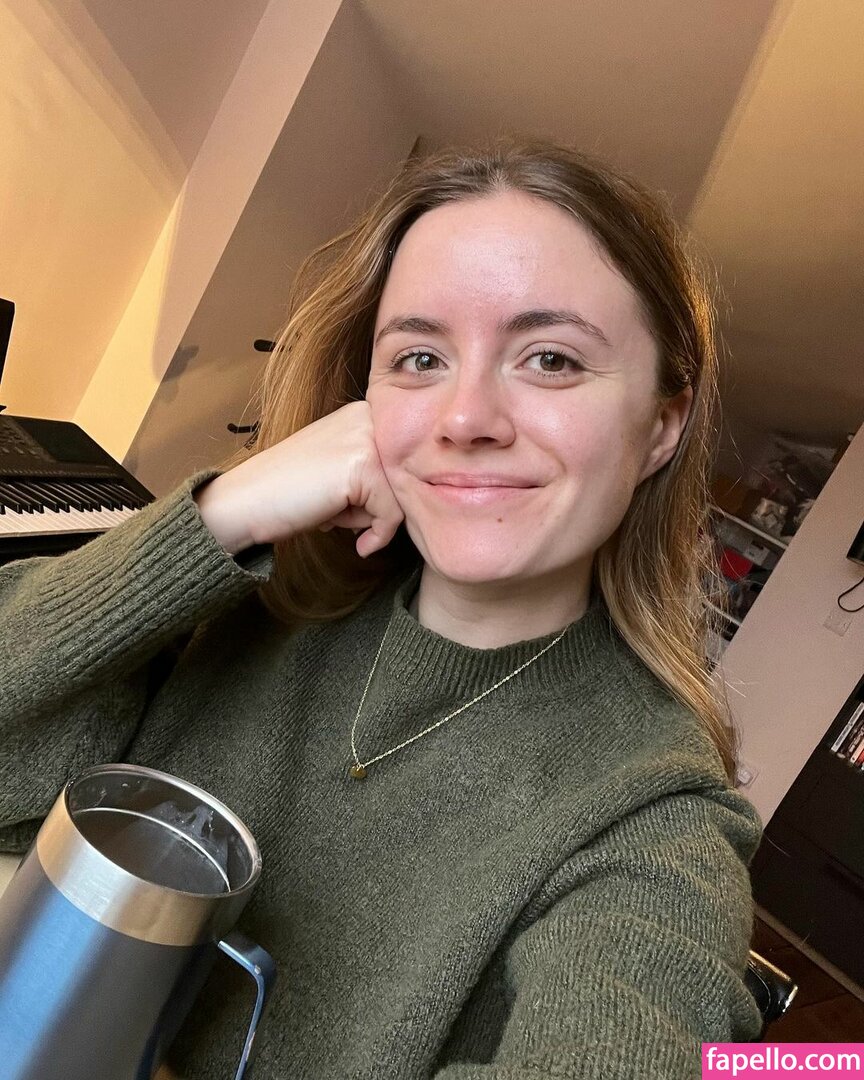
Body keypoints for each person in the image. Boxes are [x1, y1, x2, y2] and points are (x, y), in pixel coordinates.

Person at [0, 138, 764, 1078]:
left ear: (661, 425)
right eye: (419, 357)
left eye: (551, 358)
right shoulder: (244, 605)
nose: (464, 418)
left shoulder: (652, 811)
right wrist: (222, 513)